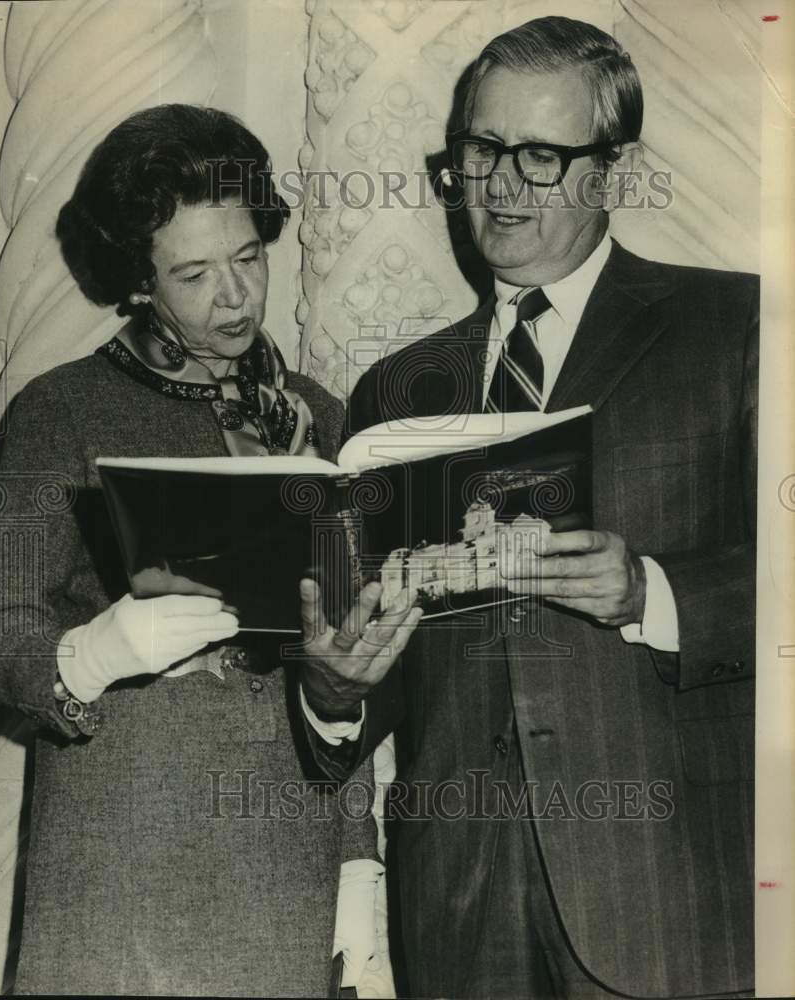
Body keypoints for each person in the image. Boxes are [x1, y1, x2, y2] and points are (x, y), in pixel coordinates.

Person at [299, 16, 756, 1000]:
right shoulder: (393, 389)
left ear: (614, 170)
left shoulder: (738, 330)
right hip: (457, 911)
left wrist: (652, 591)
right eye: (481, 148)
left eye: (540, 156)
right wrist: (335, 687)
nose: (499, 183)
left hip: (666, 895)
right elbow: (375, 661)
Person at [0, 104, 418, 997]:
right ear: (138, 282)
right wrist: (91, 655)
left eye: (248, 258)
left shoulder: (321, 419)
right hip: (120, 857)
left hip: (287, 858)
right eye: (195, 273)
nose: (236, 297)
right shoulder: (58, 413)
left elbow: (352, 660)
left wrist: (361, 871)